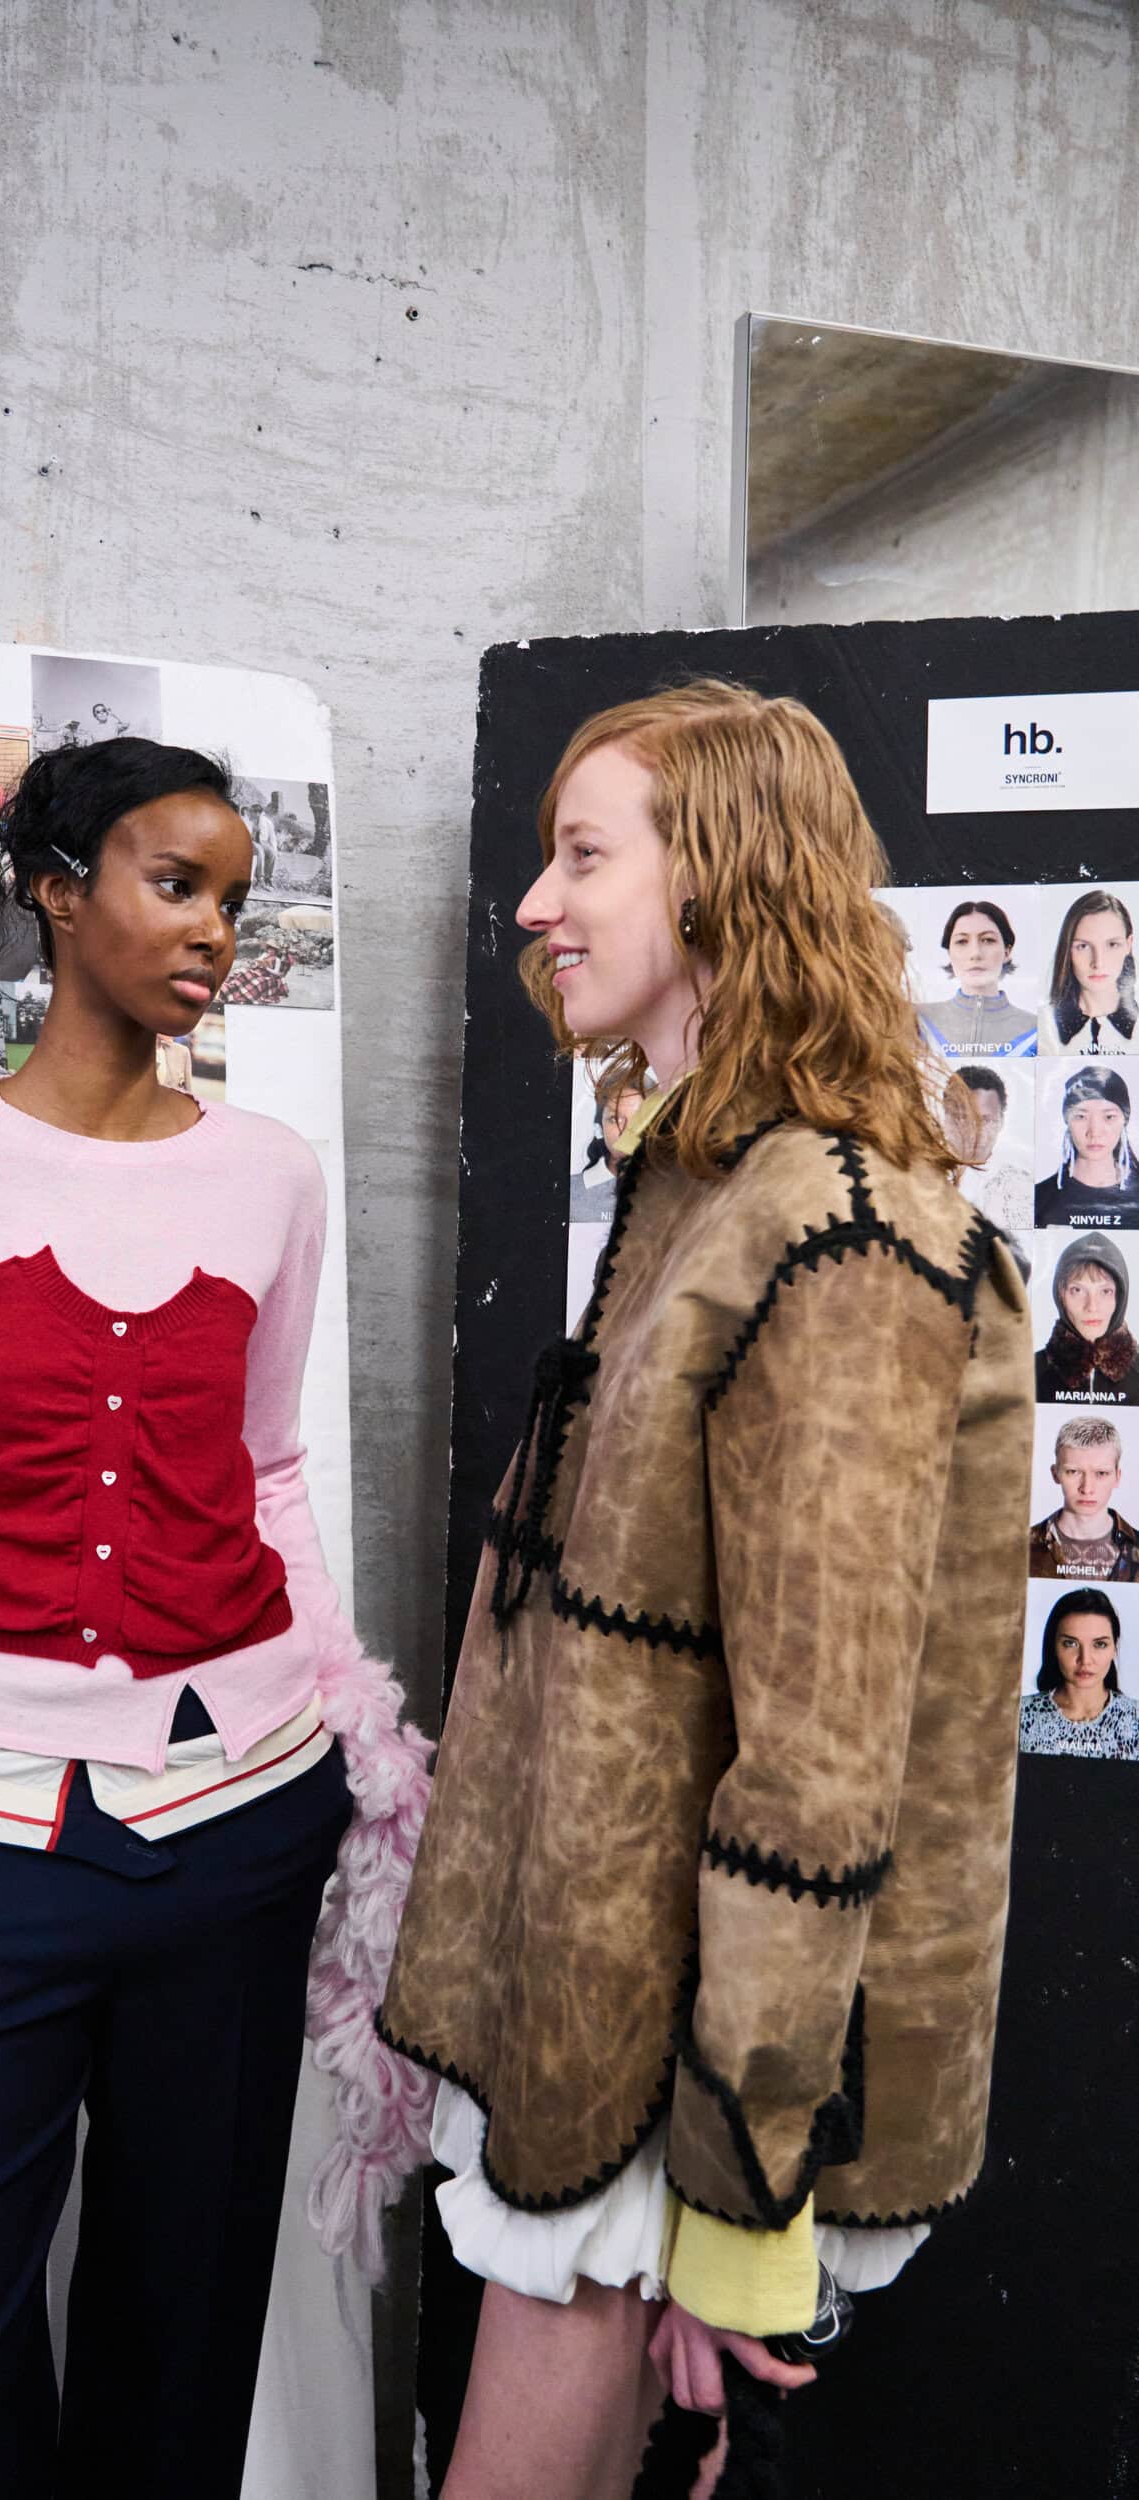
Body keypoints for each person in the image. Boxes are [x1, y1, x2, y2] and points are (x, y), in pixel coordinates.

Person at [0, 735, 432, 2500]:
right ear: (56, 891)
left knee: (177, 2366)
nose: (211, 933)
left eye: (233, 901)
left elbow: (267, 1468)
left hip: (242, 1831)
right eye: (172, 884)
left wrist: (333, 1730)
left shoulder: (270, 1171)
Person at [377, 681, 1032, 2497]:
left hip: (664, 2067)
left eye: (583, 856)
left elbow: (821, 1770)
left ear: (724, 878)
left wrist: (739, 2188)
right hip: (604, 2046)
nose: (534, 905)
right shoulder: (704, 1188)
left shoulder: (837, 1230)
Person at [1019, 1587, 1139, 1758]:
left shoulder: (1135, 1718)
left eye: (1099, 1644)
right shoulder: (1019, 1716)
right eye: (1070, 1643)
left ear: (1114, 1648)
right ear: (1053, 1646)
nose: (1085, 1659)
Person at [915, 898, 1037, 1058]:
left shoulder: (1036, 1029)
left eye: (988, 940)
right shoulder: (917, 1019)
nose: (975, 954)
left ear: (1007, 952)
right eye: (962, 941)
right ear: (949, 953)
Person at [1029, 1415, 1139, 1580]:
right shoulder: (1020, 1547)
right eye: (1073, 1471)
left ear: (1117, 1476)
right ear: (1055, 1474)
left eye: (1101, 1473)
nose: (1087, 1488)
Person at [1036, 1232, 1139, 1402]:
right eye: (1077, 1290)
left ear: (1120, 1297)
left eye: (1105, 1291)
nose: (1092, 1306)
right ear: (1060, 1295)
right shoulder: (1028, 1374)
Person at [1035, 1065, 1139, 1225]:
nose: (1095, 1132)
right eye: (1081, 1116)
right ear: (1067, 1120)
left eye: (1109, 1117)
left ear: (1124, 1120)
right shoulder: (1039, 1199)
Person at [940, 1063, 1033, 1243]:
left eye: (985, 1120)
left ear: (1001, 1122)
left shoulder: (1024, 1184)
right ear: (946, 1116)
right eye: (962, 1117)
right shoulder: (920, 1179)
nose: (974, 1130)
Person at [1041, 888, 1138, 1055]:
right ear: (1068, 950)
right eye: (1083, 946)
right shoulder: (1042, 1026)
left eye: (1112, 944)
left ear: (1129, 944)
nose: (1098, 962)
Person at [569, 1076, 645, 1222]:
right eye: (615, 1119)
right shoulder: (573, 1191)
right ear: (599, 1129)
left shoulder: (672, 1190)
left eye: (638, 1119)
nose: (627, 1130)